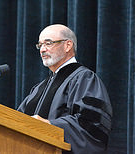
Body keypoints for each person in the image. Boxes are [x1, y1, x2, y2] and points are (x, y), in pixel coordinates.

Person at [17, 24, 112, 154]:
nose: (42, 50)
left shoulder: (84, 78)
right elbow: (15, 123)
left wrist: (49, 125)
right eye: (40, 45)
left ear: (68, 45)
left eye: (48, 43)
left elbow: (91, 124)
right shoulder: (38, 89)